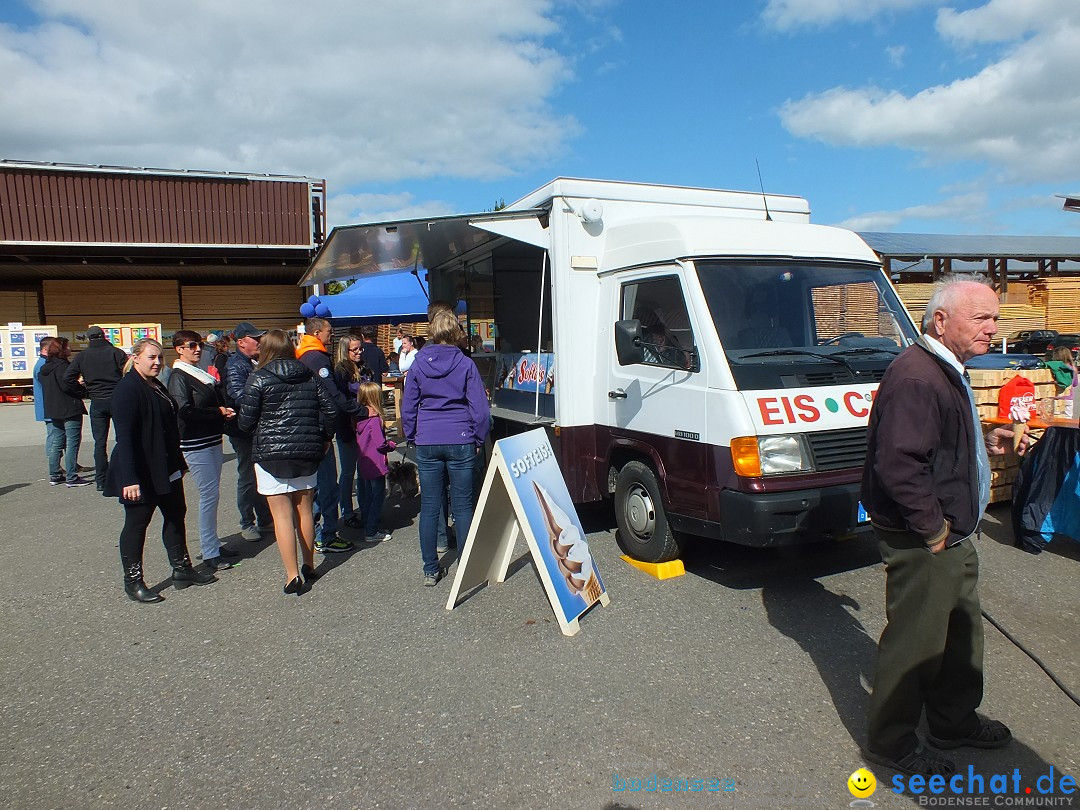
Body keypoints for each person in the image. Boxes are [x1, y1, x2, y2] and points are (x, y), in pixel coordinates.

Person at [861, 277, 1026, 778]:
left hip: (953, 533)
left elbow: (936, 446)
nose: (992, 330)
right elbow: (899, 464)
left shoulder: (945, 369)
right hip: (927, 538)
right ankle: (891, 743)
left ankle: (952, 722)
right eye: (981, 319)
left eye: (995, 319)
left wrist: (982, 442)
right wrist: (933, 530)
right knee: (917, 642)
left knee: (959, 636)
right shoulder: (918, 376)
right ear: (941, 320)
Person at [105, 338, 216, 603]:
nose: (156, 363)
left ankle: (182, 569)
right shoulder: (127, 389)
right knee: (137, 524)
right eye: (151, 358)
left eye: (159, 358)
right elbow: (126, 438)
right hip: (140, 470)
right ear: (135, 358)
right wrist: (130, 479)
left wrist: (178, 463)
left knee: (176, 514)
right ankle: (133, 581)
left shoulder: (155, 385)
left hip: (165, 465)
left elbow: (167, 428)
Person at [237, 329, 338, 595]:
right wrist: (326, 437)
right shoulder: (309, 375)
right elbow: (330, 409)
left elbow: (245, 422)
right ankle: (309, 563)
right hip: (306, 450)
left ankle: (292, 575)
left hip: (271, 453)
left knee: (281, 515)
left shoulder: (258, 378)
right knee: (304, 510)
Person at [401, 309, 491, 586]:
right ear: (454, 332)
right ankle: (466, 565)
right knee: (463, 507)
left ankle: (431, 568)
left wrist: (412, 434)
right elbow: (480, 408)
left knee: (430, 506)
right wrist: (479, 437)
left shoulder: (417, 364)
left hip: (428, 437)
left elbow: (408, 406)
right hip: (461, 435)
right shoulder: (465, 364)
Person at [167, 331, 238, 571]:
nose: (197, 349)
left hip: (210, 438)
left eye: (198, 345)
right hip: (194, 442)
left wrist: (222, 412)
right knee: (208, 496)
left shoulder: (198, 373)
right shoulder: (179, 375)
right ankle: (209, 552)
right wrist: (218, 412)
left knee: (213, 494)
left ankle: (214, 543)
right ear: (179, 349)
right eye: (192, 345)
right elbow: (184, 410)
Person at [224, 322, 273, 541]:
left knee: (260, 474)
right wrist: (264, 399)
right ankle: (247, 522)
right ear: (241, 342)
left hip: (255, 427)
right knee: (247, 476)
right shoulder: (236, 364)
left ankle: (264, 518)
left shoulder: (254, 361)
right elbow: (237, 394)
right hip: (242, 429)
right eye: (255, 338)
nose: (259, 342)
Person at [64, 325, 127, 490]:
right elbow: (129, 372)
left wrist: (83, 390)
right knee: (123, 438)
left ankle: (101, 480)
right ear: (103, 335)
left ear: (88, 338)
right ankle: (125, 475)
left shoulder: (82, 356)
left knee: (99, 442)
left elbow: (68, 378)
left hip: (97, 401)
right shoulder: (116, 352)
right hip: (118, 399)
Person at [38, 337, 92, 488]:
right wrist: (81, 388)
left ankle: (55, 474)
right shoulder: (63, 366)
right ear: (62, 350)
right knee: (72, 442)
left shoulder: (45, 367)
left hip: (53, 408)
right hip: (69, 407)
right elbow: (67, 385)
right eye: (68, 347)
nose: (70, 349)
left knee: (57, 442)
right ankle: (72, 476)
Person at [333, 335, 366, 531]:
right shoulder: (340, 372)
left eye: (360, 348)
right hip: (347, 427)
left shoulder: (363, 367)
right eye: (355, 349)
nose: (359, 352)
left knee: (364, 470)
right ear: (345, 351)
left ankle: (365, 507)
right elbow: (341, 400)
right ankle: (347, 511)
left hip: (364, 426)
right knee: (348, 472)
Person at [355, 381, 392, 543]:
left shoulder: (358, 418)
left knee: (368, 495)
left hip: (364, 461)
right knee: (378, 496)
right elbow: (381, 444)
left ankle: (368, 522)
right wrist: (391, 445)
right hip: (376, 463)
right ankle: (371, 530)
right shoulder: (375, 420)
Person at [1045, 346, 1077, 418]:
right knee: (1068, 420)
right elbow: (1075, 384)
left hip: (1057, 397)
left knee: (1057, 420)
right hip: (1069, 398)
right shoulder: (1073, 369)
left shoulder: (1054, 368)